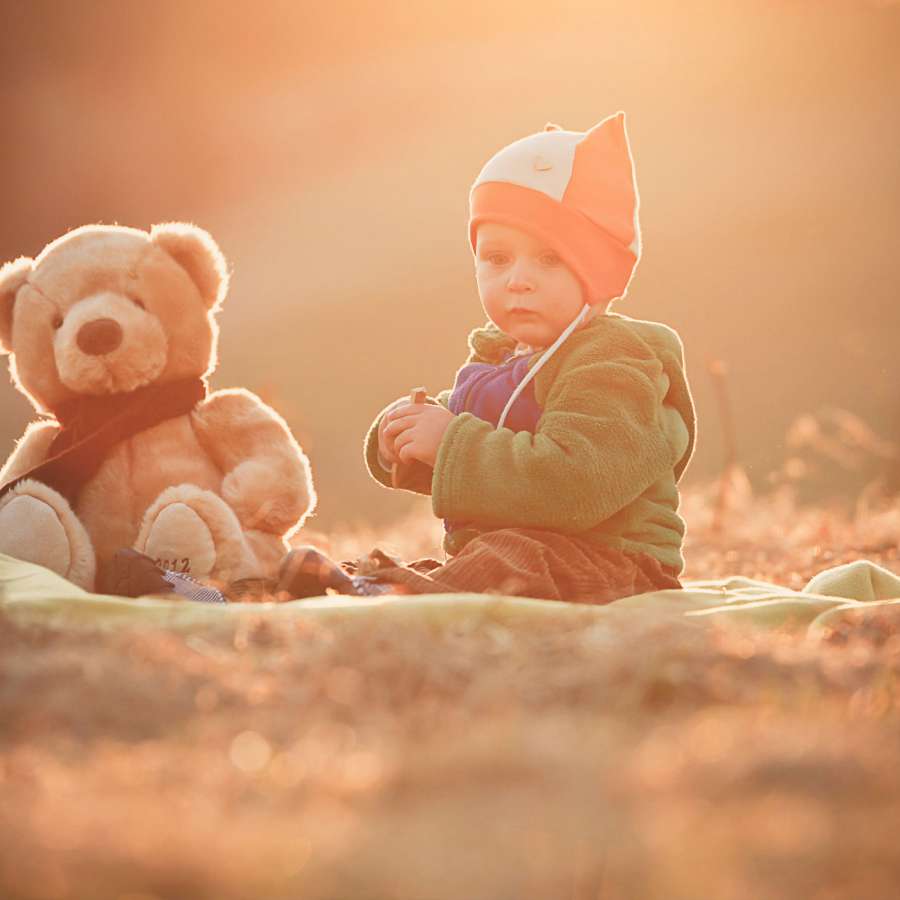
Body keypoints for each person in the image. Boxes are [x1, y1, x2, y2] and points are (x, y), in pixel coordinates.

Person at [282, 111, 696, 604]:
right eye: (497, 259)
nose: (517, 280)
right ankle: (338, 583)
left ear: (600, 271)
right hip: (524, 551)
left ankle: (375, 592)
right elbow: (483, 438)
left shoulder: (615, 361)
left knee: (504, 561)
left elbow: (574, 485)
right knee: (479, 563)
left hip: (615, 562)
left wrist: (449, 442)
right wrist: (404, 439)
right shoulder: (503, 357)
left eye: (549, 259)